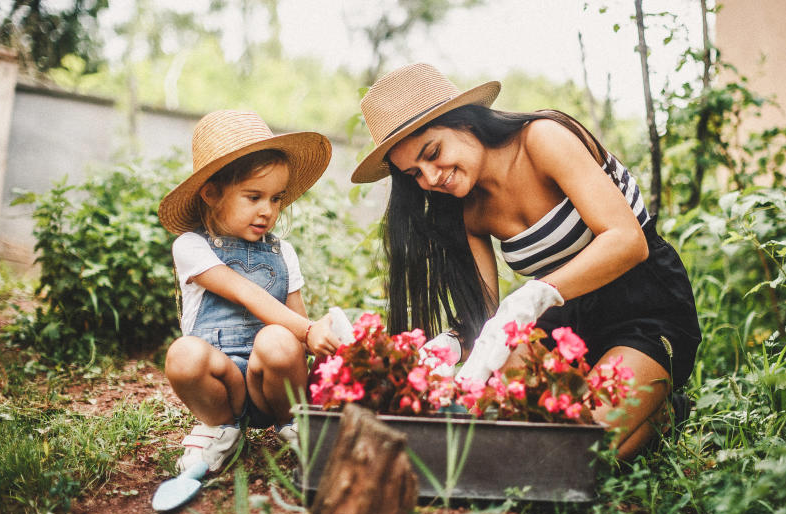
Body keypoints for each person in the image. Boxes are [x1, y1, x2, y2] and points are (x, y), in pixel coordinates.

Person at [351, 63, 701, 459]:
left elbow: (627, 241)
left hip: (644, 304)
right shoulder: (466, 210)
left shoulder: (542, 138)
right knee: (526, 434)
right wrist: (444, 351)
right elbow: (486, 321)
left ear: (465, 122)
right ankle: (623, 416)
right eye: (415, 173)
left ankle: (663, 414)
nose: (430, 178)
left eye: (433, 153)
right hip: (567, 318)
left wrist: (533, 295)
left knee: (577, 452)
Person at [158, 110, 344, 474]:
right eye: (254, 196)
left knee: (278, 337)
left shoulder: (283, 253)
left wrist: (321, 334)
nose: (268, 211)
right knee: (182, 355)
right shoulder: (191, 246)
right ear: (211, 193)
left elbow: (297, 326)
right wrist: (307, 330)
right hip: (221, 386)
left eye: (276, 198)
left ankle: (293, 424)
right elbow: (244, 291)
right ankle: (221, 430)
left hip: (269, 388)